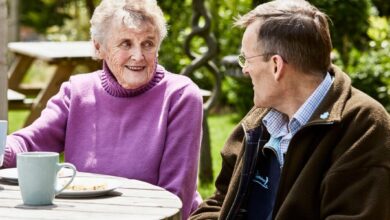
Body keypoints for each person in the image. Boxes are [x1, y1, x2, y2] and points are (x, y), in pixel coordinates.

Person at [2, 0, 203, 218]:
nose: (138, 56)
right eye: (126, 44)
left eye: (148, 44)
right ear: (99, 47)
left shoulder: (180, 96)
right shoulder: (77, 92)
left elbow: (176, 197)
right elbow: (29, 143)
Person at [191, 0, 390, 219]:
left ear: (276, 66)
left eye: (246, 59)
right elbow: (220, 202)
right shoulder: (259, 120)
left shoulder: (364, 126)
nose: (245, 70)